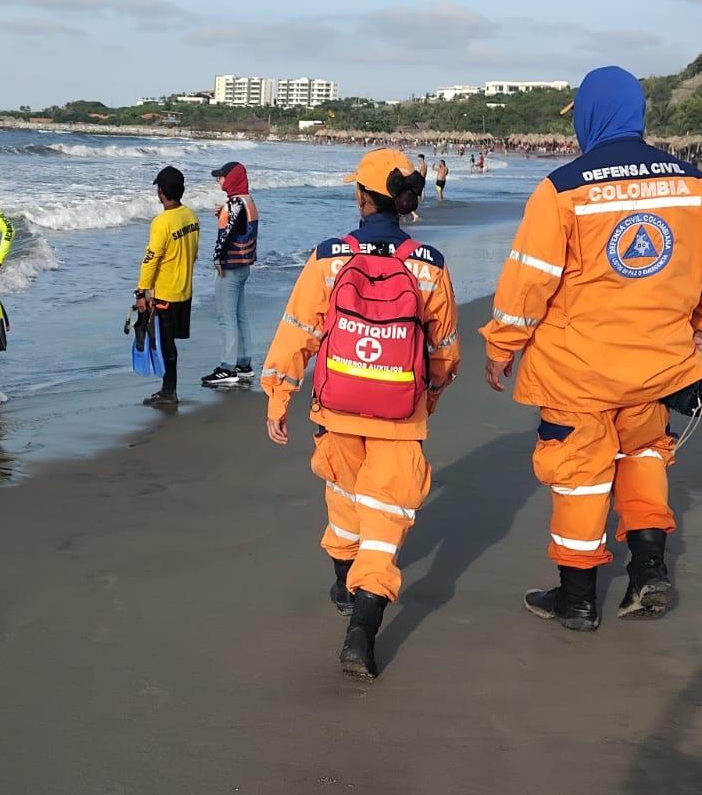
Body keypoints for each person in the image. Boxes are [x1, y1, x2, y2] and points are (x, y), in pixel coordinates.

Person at [481, 66, 702, 633]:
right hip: (660, 367)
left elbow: (528, 283)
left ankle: (577, 599)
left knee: (580, 476)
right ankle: (649, 571)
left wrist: (502, 347)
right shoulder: (693, 183)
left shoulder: (562, 188)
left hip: (577, 372)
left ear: (588, 114)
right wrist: (698, 333)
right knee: (645, 457)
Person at [261, 148, 460, 679]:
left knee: (343, 497)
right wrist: (428, 400)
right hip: (401, 414)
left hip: (337, 410)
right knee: (385, 521)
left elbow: (297, 333)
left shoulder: (328, 257)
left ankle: (342, 585)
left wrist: (278, 397)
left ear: (363, 197)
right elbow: (444, 352)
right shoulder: (430, 265)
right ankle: (362, 630)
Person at [136, 166, 200, 408]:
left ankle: (169, 391)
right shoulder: (191, 216)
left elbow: (151, 259)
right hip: (185, 290)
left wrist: (142, 291)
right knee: (169, 342)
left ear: (161, 192)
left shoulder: (162, 222)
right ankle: (168, 388)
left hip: (166, 294)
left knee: (165, 344)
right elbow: (193, 253)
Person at [202, 161, 259, 387]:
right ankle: (243, 364)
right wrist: (222, 214)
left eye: (222, 176)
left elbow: (227, 234)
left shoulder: (235, 203)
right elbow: (240, 227)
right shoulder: (247, 200)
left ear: (232, 179)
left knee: (226, 318)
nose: (219, 180)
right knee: (240, 315)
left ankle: (227, 367)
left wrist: (217, 258)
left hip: (230, 267)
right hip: (244, 266)